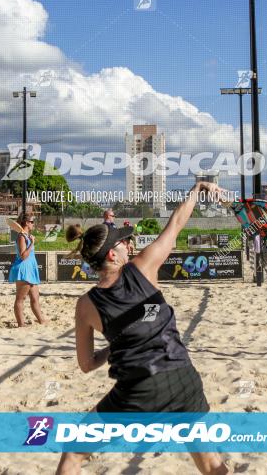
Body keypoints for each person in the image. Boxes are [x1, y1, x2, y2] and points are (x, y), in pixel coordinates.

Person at [55, 180, 228, 475]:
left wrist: (116, 344)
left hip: (137, 391)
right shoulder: (143, 267)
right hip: (182, 377)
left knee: (73, 453)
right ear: (112, 254)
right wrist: (198, 189)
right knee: (212, 464)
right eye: (123, 242)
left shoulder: (86, 305)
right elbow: (175, 224)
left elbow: (86, 365)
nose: (128, 244)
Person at [8, 214, 47, 327]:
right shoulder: (21, 236)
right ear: (26, 223)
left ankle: (42, 321)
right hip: (23, 269)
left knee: (35, 298)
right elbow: (23, 256)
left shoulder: (27, 235)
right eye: (32, 222)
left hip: (30, 270)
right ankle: (21, 324)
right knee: (20, 299)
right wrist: (32, 244)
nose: (33, 224)